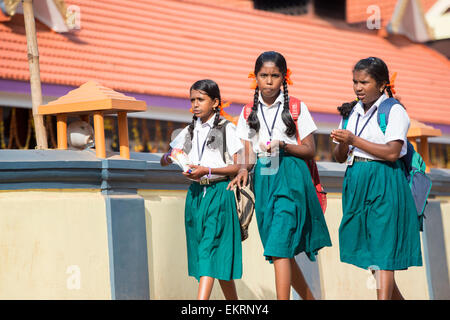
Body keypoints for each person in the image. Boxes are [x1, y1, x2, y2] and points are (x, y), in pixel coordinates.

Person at [229, 51, 332, 300]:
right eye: (263, 75)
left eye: (275, 75)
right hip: (263, 178)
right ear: (255, 78)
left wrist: (284, 146)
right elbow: (247, 154)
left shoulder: (296, 107)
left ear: (284, 78)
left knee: (279, 244)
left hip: (291, 176)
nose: (269, 81)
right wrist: (242, 170)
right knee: (278, 250)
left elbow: (310, 149)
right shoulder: (246, 112)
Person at [331, 57, 422, 300]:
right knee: (370, 252)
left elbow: (392, 152)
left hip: (384, 181)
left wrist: (353, 140)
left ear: (382, 84)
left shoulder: (393, 110)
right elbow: (339, 157)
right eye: (355, 82)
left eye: (364, 82)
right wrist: (342, 142)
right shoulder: (351, 111)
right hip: (356, 181)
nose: (358, 88)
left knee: (383, 253)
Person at [160, 79, 243, 300]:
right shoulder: (188, 130)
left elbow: (238, 165)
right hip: (196, 195)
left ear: (215, 102)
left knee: (208, 251)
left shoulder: (227, 128)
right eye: (192, 100)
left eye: (201, 99)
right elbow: (166, 157)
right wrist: (171, 157)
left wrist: (206, 169)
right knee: (212, 256)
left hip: (218, 193)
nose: (195, 104)